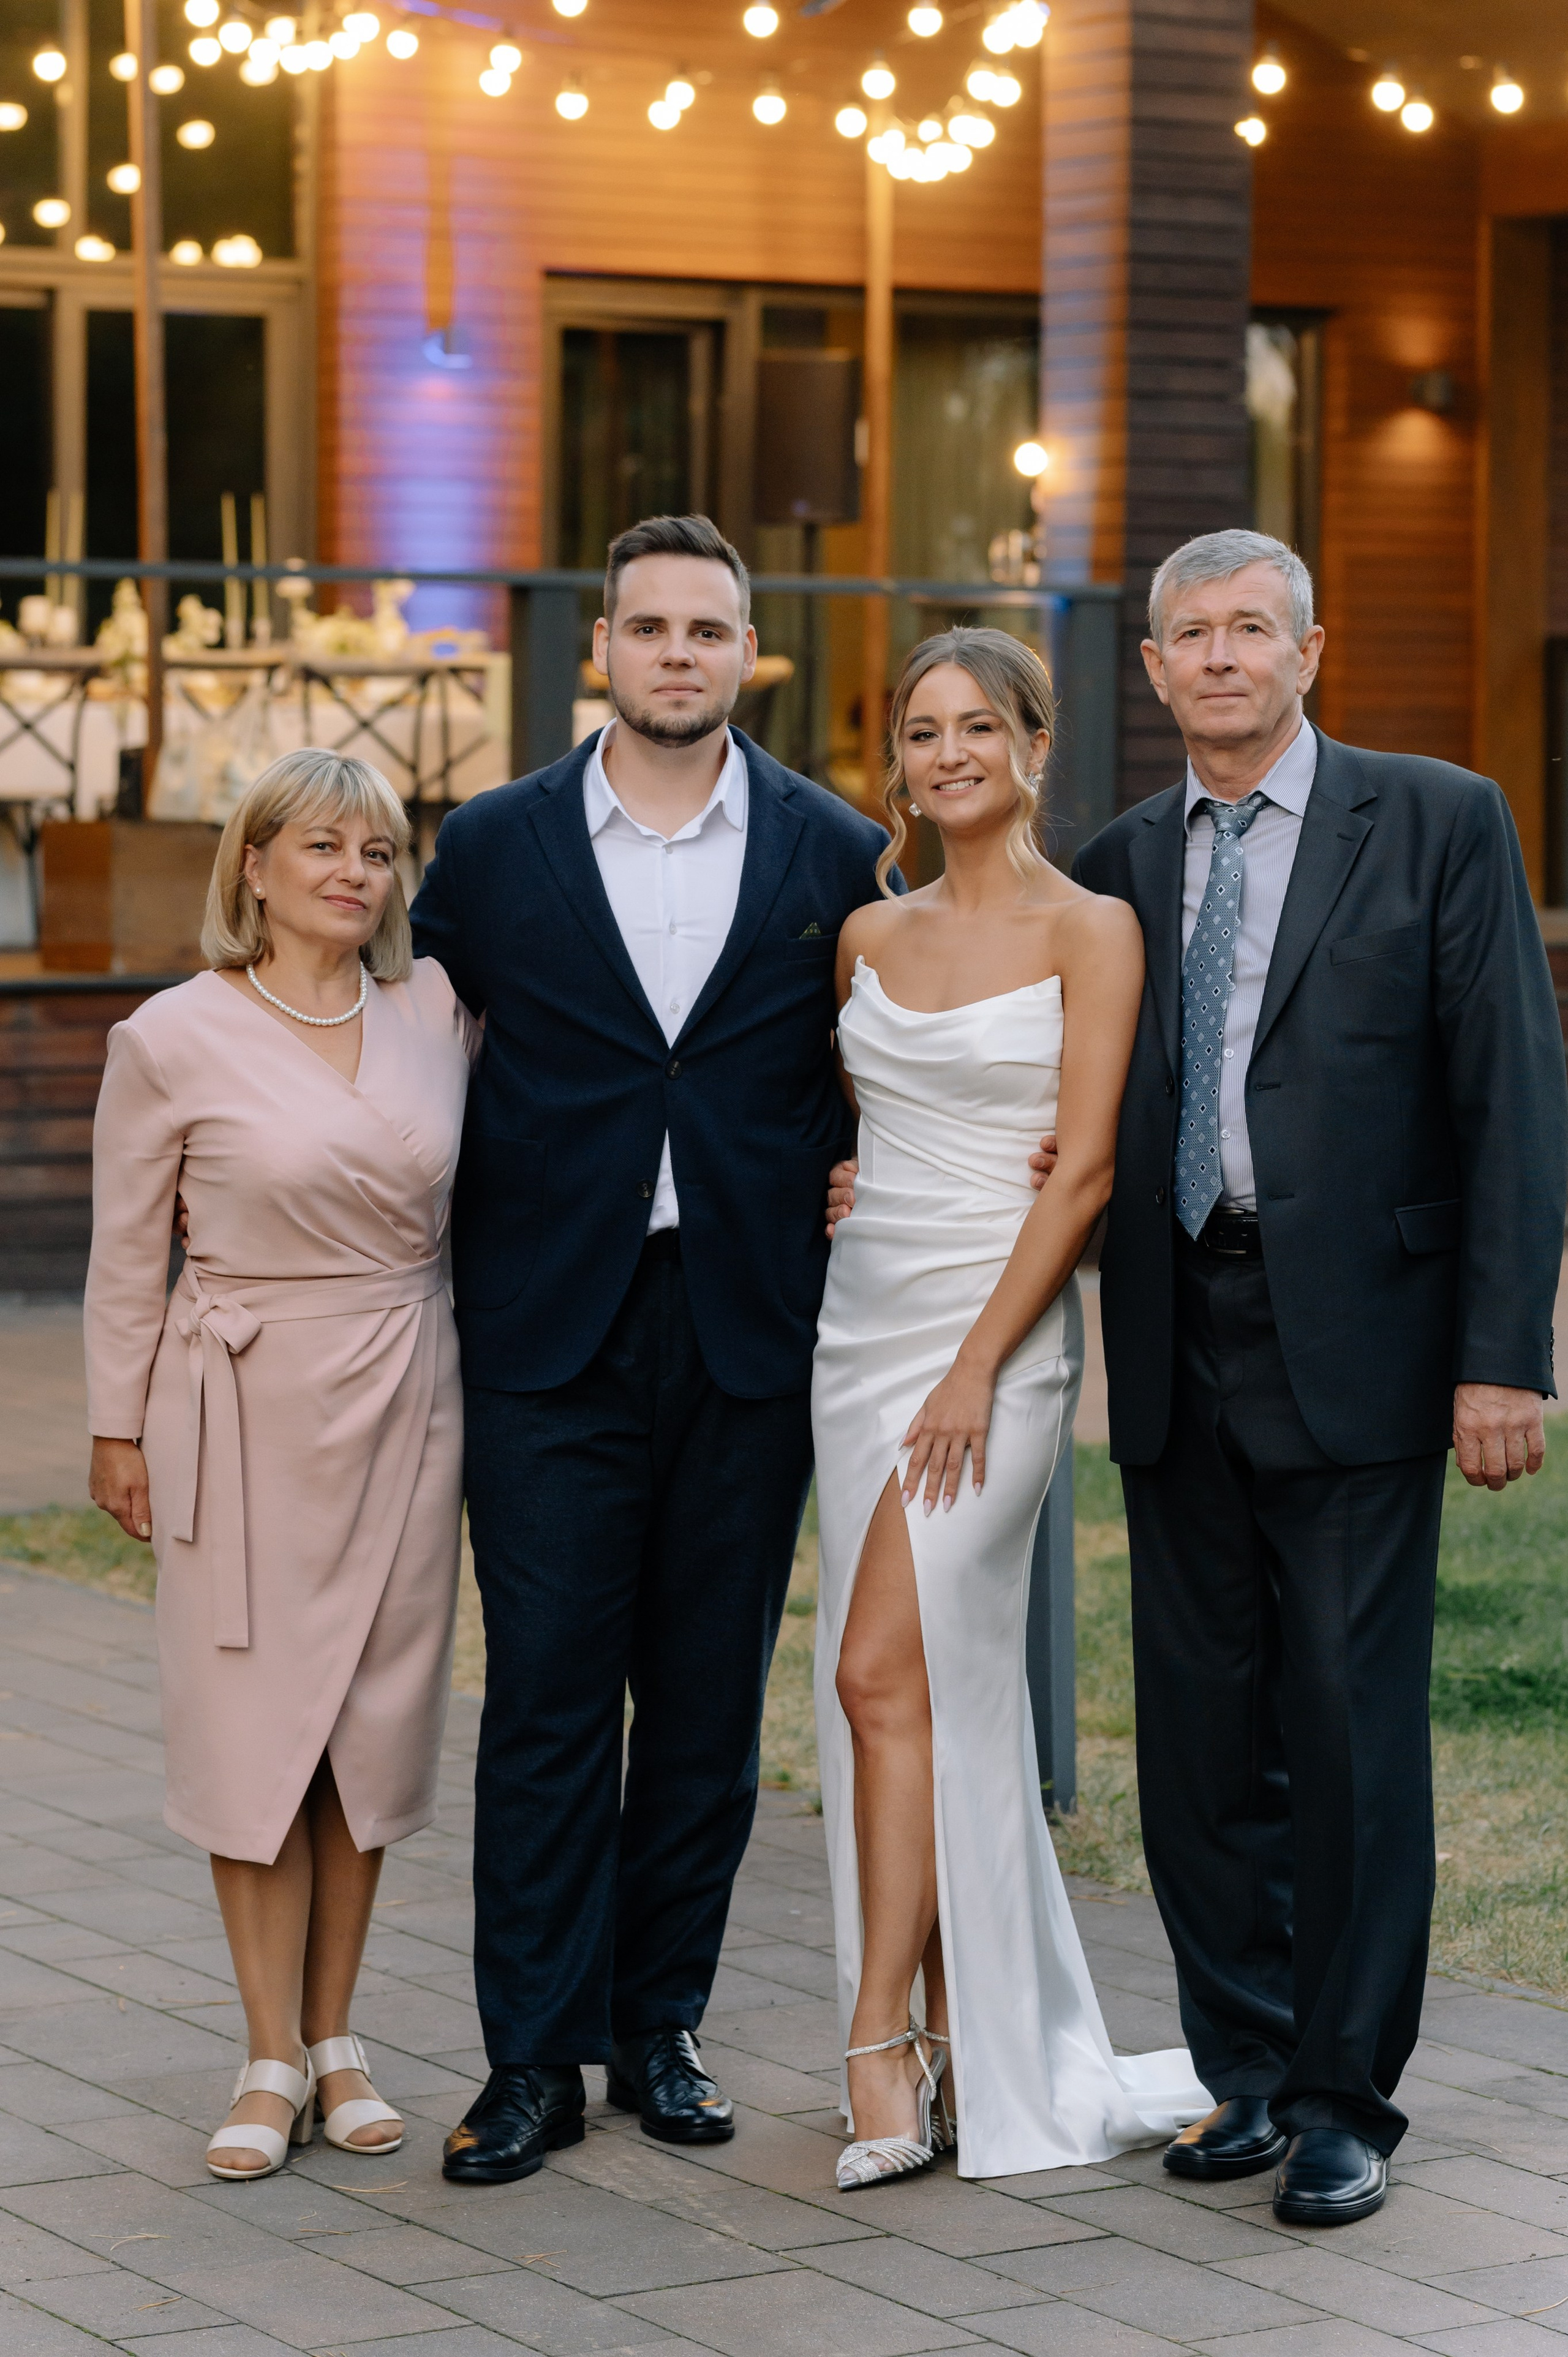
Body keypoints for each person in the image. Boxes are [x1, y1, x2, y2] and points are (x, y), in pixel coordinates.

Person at [1068, 529, 1568, 2225]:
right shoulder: (1117, 862)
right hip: (1175, 1338)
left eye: (1250, 630)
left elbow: (1513, 1096)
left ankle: (1349, 2095)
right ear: (1151, 670)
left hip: (1367, 1341)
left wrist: (1507, 1357)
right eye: (1189, 634)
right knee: (1204, 1738)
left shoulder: (1437, 821)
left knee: (1350, 1731)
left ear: (1310, 650)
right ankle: (1248, 2068)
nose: (1219, 656)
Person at [410, 513, 900, 2185]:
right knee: (548, 1700)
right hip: (551, 1327)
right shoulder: (489, 848)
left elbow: (875, 1060)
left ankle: (663, 2021)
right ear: (600, 651)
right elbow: (414, 1055)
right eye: (650, 628)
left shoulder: (838, 852)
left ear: (748, 654)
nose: (678, 654)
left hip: (749, 1323)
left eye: (710, 630)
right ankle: (534, 2055)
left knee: (704, 1701)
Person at [814, 627, 1209, 2188]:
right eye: (921, 732)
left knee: (873, 1663)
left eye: (978, 726)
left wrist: (978, 1361)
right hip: (861, 1334)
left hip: (1001, 1336)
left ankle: (874, 2042)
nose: (947, 753)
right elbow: (862, 1132)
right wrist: (852, 1188)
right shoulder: (861, 934)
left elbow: (1091, 1168)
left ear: (1034, 746)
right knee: (911, 1691)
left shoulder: (1091, 929)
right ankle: (964, 2035)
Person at [86, 750, 477, 2181]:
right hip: (240, 1410)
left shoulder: (432, 1012)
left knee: (366, 1726)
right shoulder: (172, 1035)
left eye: (376, 853)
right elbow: (129, 1247)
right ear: (251, 866)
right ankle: (262, 2054)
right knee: (258, 1729)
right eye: (321, 847)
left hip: (405, 1395)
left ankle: (337, 2039)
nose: (352, 874)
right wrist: (115, 1425)